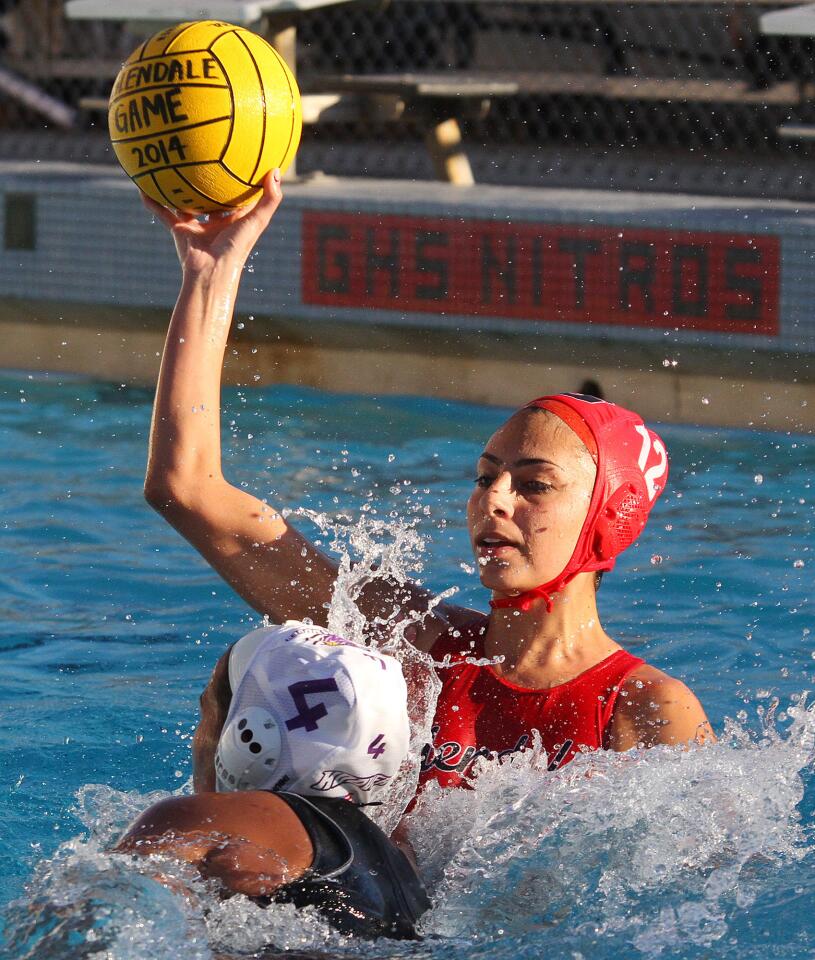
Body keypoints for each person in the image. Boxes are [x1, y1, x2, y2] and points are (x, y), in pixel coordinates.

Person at [142, 169, 713, 817]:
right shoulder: (410, 640)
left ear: (607, 518)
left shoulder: (644, 711)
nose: (492, 500)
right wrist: (211, 270)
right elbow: (186, 490)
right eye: (484, 475)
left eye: (533, 485)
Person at [116, 622, 430, 940]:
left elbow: (102, 919)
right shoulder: (402, 867)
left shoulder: (203, 821)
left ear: (247, 736)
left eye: (206, 710)